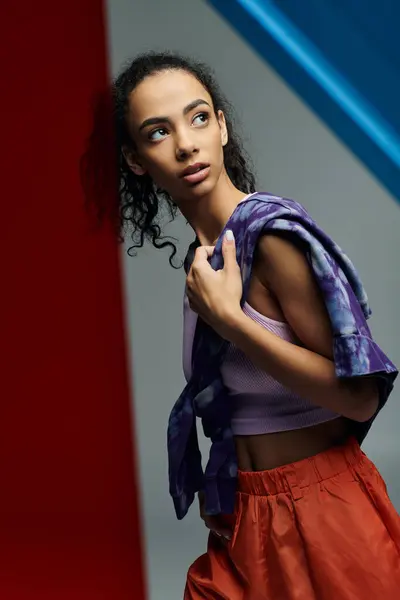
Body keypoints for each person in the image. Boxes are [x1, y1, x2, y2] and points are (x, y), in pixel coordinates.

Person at [84, 51, 400, 598]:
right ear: (136, 160)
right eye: (158, 132)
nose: (186, 143)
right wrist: (223, 482)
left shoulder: (273, 240)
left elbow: (361, 397)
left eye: (199, 117)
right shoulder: (204, 263)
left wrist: (233, 321)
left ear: (222, 127)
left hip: (324, 511)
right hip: (244, 517)